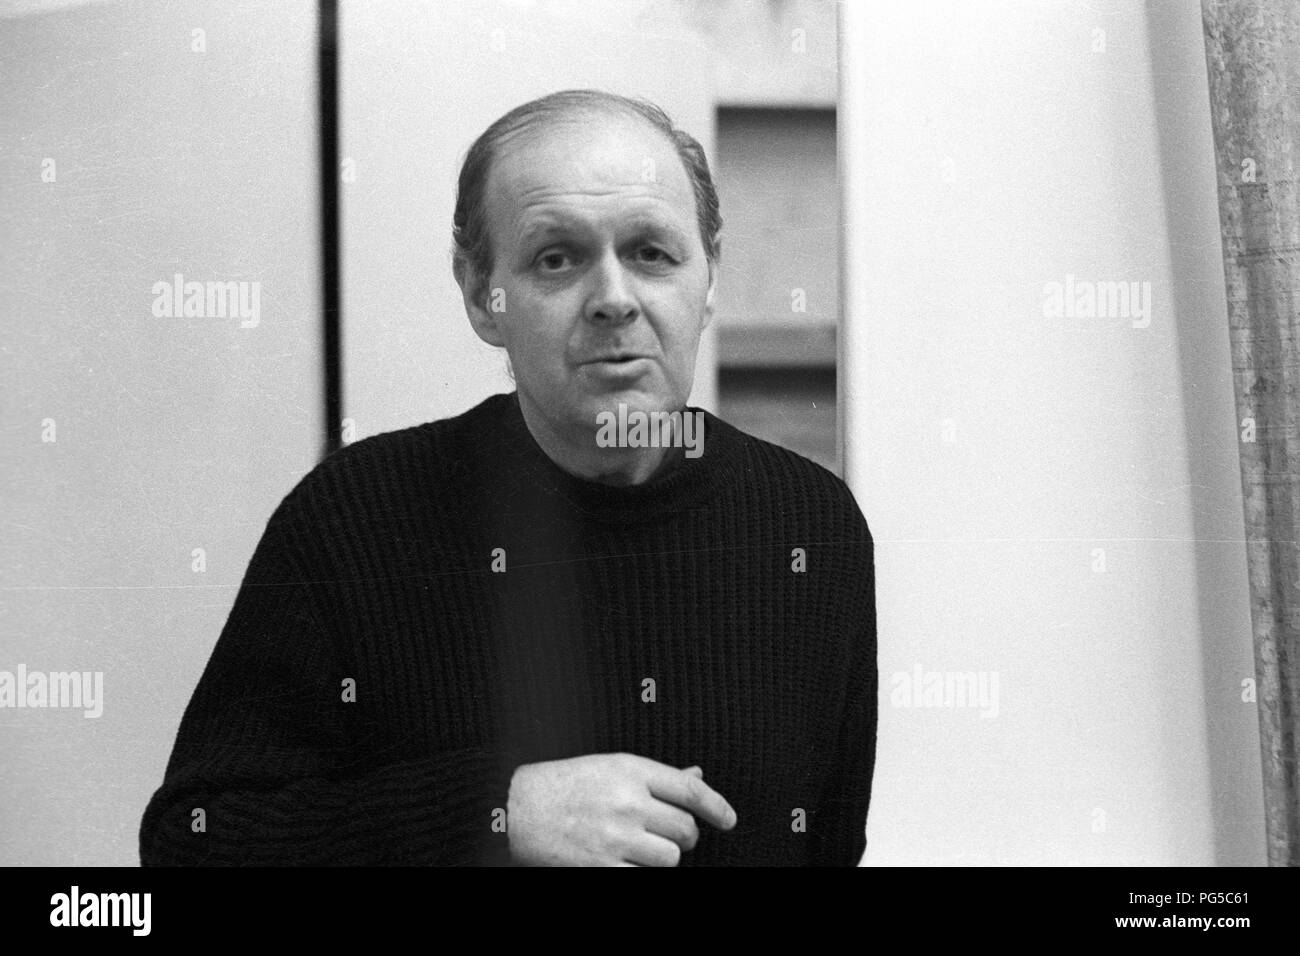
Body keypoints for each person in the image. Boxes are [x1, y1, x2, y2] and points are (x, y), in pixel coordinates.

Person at [139, 89, 877, 866]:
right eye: (556, 258)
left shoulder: (811, 530)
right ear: (480, 296)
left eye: (652, 254)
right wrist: (497, 814)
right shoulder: (351, 520)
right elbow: (192, 843)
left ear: (709, 280)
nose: (614, 299)